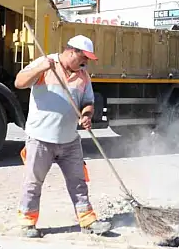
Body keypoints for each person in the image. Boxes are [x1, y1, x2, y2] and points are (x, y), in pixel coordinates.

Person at [14, 34, 113, 238]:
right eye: (83, 57)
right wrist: (41, 68)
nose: (85, 62)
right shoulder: (45, 63)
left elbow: (88, 102)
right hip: (41, 139)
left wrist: (86, 116)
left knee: (78, 182)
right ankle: (27, 223)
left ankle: (87, 221)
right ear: (71, 52)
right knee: (33, 182)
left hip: (69, 140)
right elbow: (19, 82)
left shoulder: (83, 76)